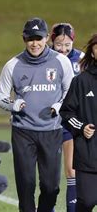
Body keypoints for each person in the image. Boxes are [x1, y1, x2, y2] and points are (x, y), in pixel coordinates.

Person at [0, 17, 74, 211]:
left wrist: (59, 105)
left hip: (52, 131)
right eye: (30, 39)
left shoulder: (62, 62)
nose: (35, 43)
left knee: (50, 186)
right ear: (24, 39)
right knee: (26, 184)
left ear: (47, 38)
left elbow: (70, 93)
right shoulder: (12, 65)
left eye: (39, 38)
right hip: (23, 132)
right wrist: (13, 105)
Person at [60, 34, 97, 212]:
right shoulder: (81, 81)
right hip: (88, 153)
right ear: (92, 52)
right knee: (87, 201)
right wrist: (82, 127)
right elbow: (66, 112)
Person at [49, 23, 83, 212]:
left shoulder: (82, 59)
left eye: (67, 44)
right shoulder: (45, 57)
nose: (63, 48)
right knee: (50, 172)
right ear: (52, 41)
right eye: (59, 44)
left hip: (71, 120)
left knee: (72, 170)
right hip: (49, 121)